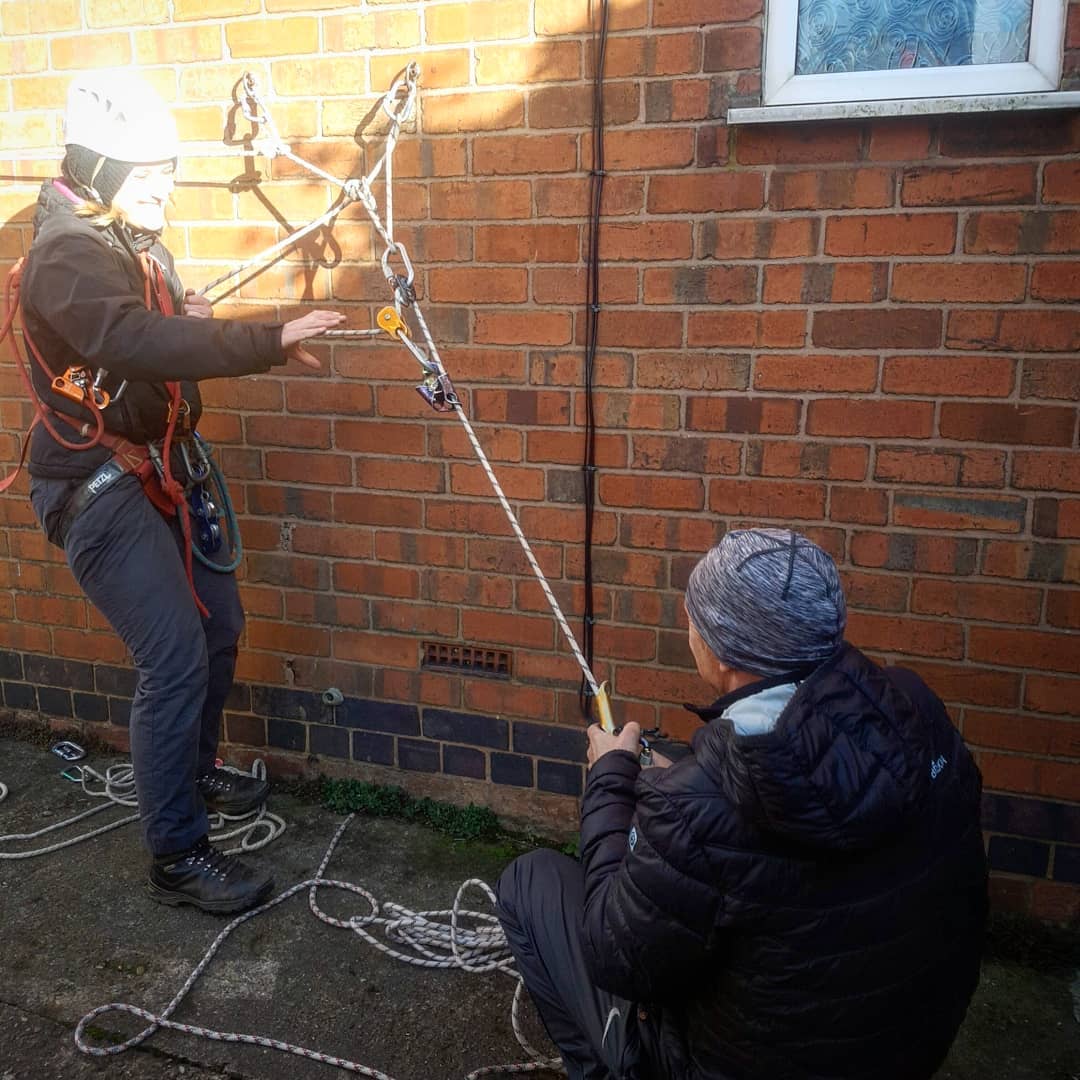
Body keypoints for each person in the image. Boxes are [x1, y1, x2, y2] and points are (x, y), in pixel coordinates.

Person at [18, 71, 345, 914]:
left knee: (219, 628)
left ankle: (193, 774)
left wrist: (191, 319)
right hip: (92, 482)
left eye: (169, 173)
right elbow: (129, 338)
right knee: (171, 657)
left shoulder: (131, 237)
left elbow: (157, 329)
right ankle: (177, 854)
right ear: (98, 169)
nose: (165, 190)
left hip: (161, 465)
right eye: (149, 175)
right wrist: (263, 340)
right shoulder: (66, 254)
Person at [496, 528, 988, 1080]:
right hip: (904, 1050)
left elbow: (615, 955)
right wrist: (682, 783)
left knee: (529, 880)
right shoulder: (914, 708)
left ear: (723, 650)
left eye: (693, 616)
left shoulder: (694, 807)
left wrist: (611, 778)